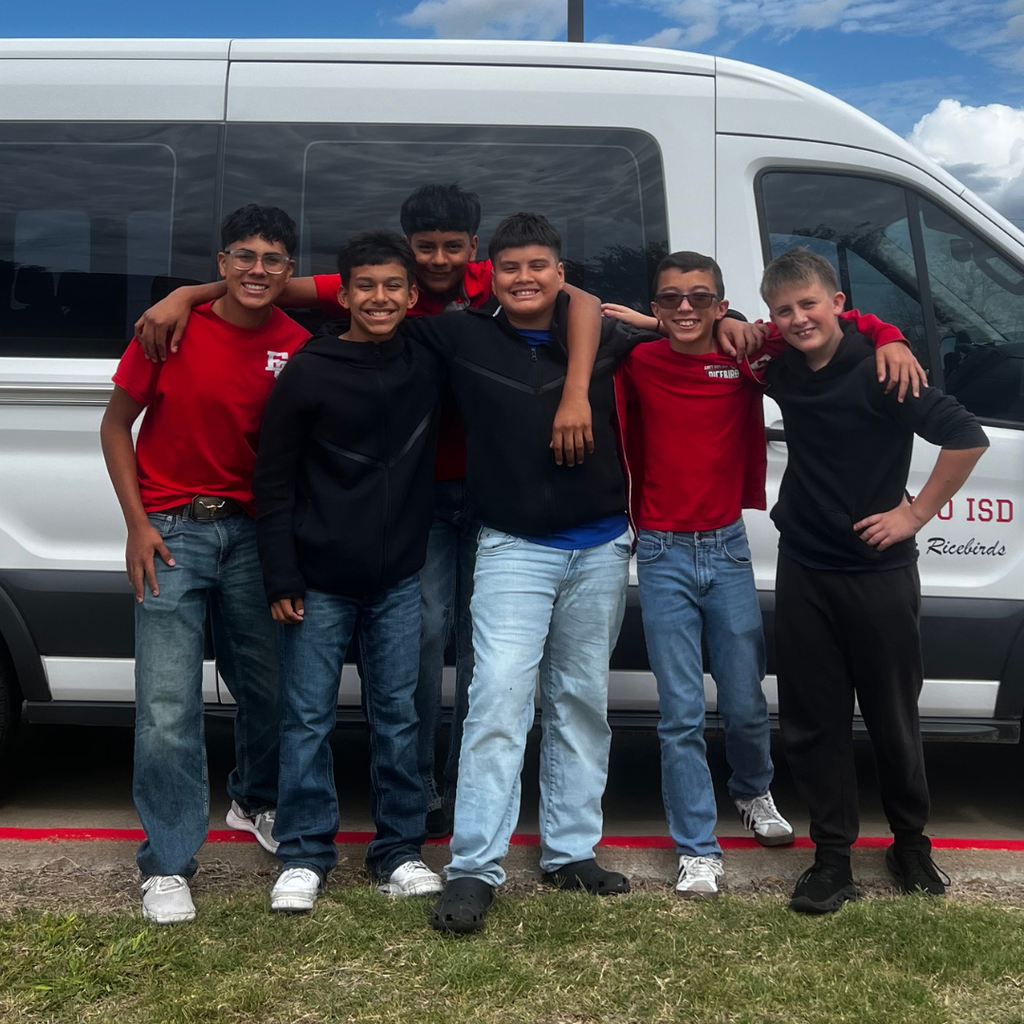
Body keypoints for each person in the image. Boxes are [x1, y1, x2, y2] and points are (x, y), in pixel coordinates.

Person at [132, 183, 600, 840]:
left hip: (494, 487)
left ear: (474, 250)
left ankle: (470, 787)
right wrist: (185, 293)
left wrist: (589, 375)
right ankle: (418, 793)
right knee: (424, 637)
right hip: (414, 499)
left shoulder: (494, 278)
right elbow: (265, 286)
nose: (437, 261)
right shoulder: (377, 284)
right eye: (425, 248)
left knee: (486, 649)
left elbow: (580, 299)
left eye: (450, 248)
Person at [608, 252, 923, 898]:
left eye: (701, 298)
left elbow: (825, 320)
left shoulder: (747, 362)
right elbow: (582, 326)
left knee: (749, 702)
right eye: (670, 299)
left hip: (725, 549)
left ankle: (752, 791)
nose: (685, 308)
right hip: (663, 551)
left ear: (725, 307)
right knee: (680, 712)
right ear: (656, 307)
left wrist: (889, 334)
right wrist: (648, 322)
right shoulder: (637, 362)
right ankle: (698, 847)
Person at [757, 247, 988, 913]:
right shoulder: (780, 366)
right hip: (805, 564)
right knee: (813, 719)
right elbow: (707, 330)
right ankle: (832, 860)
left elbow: (966, 437)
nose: (799, 319)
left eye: (810, 304)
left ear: (838, 305)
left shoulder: (884, 368)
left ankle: (910, 843)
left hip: (879, 573)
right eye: (784, 310)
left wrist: (913, 514)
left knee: (893, 715)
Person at [99, 205, 310, 924]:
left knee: (269, 684)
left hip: (254, 535)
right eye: (243, 256)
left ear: (290, 272)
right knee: (166, 705)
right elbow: (114, 423)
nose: (257, 270)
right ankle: (166, 861)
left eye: (273, 260)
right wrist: (136, 526)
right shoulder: (172, 329)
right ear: (220, 263)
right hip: (170, 530)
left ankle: (256, 800)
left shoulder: (299, 344)